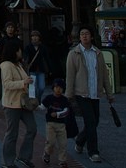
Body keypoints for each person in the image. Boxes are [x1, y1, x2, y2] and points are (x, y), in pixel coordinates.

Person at [65, 27, 114, 164]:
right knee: (91, 122)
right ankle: (93, 151)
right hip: (82, 93)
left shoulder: (97, 53)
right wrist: (68, 95)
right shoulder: (74, 54)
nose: (84, 36)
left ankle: (80, 141)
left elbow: (104, 75)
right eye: (82, 34)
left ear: (92, 36)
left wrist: (109, 93)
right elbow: (70, 76)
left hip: (95, 93)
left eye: (87, 33)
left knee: (95, 121)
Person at [1, 41, 37, 168]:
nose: (21, 52)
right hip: (12, 104)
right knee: (12, 133)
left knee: (32, 128)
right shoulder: (6, 65)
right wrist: (23, 82)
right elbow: (7, 84)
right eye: (19, 50)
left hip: (24, 103)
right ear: (14, 51)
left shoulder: (19, 65)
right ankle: (8, 162)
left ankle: (24, 156)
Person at [41, 78, 74, 168]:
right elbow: (42, 107)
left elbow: (67, 111)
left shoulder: (64, 100)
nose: (58, 89)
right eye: (56, 87)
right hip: (50, 124)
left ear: (63, 89)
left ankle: (62, 160)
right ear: (53, 88)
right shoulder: (49, 98)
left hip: (61, 124)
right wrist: (34, 106)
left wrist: (58, 114)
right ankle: (47, 152)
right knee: (50, 142)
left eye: (60, 88)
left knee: (63, 143)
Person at [24, 30, 52, 103]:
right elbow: (26, 58)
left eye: (36, 36)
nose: (35, 38)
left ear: (39, 38)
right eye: (33, 36)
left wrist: (50, 69)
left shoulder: (43, 47)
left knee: (42, 87)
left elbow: (47, 58)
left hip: (41, 69)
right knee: (33, 88)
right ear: (31, 38)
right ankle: (35, 102)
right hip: (32, 70)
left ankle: (37, 100)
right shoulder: (28, 47)